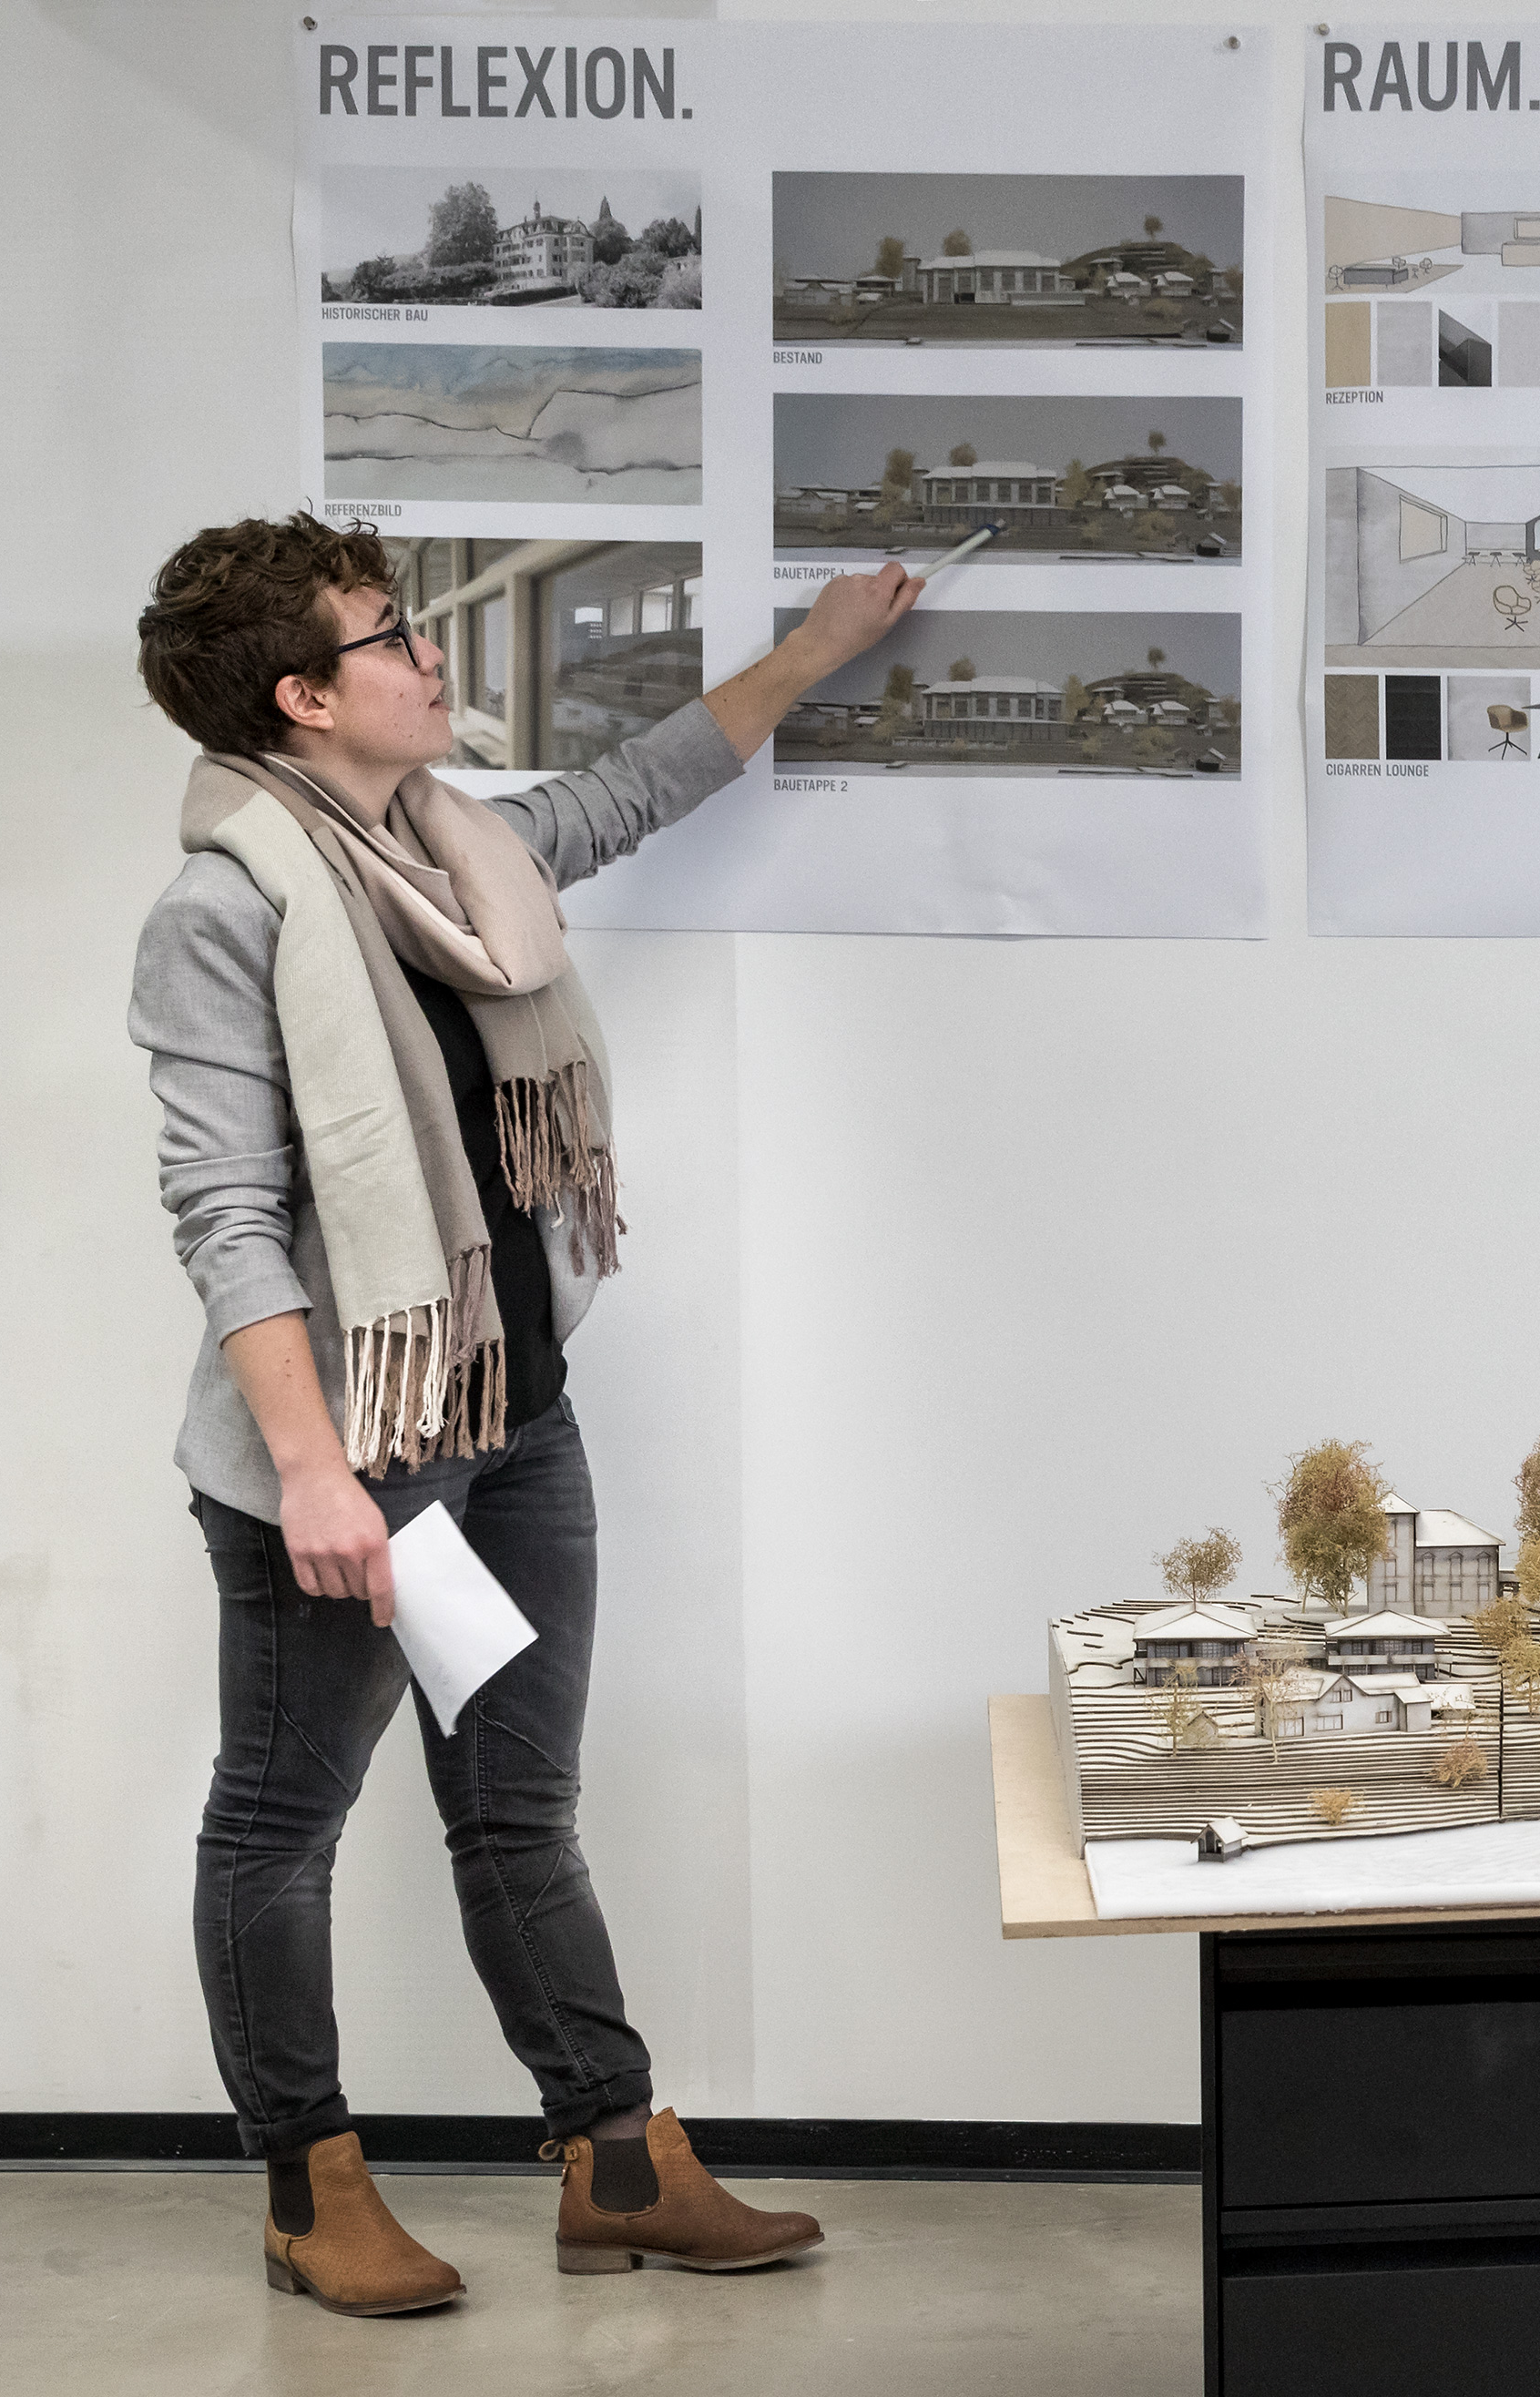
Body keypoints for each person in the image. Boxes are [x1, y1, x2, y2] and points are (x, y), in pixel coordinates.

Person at [127, 515, 917, 2316]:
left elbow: (628, 795)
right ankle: (308, 2184)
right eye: (390, 635)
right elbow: (225, 1213)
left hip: (512, 1420)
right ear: (304, 695)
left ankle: (617, 2164)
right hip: (349, 1462)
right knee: (281, 1823)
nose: (427, 657)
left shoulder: (452, 847)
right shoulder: (224, 913)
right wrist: (317, 1474)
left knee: (520, 1808)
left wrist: (817, 648)